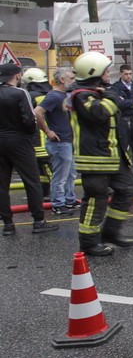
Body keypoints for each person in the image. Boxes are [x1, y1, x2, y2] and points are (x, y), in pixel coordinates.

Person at [69, 52, 133, 256]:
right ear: (95, 73)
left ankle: (110, 232)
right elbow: (100, 113)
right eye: (106, 71)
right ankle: (89, 242)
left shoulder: (97, 92)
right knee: (95, 199)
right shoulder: (81, 95)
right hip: (94, 158)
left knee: (127, 190)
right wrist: (112, 96)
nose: (110, 74)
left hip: (111, 156)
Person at [0, 63, 59, 236]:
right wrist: (29, 132)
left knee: (2, 185)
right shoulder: (20, 93)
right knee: (32, 181)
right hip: (20, 141)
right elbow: (28, 120)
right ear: (17, 76)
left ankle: (8, 225)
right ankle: (39, 221)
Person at [35, 67, 79, 216]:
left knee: (71, 173)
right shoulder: (54, 96)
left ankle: (69, 199)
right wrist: (48, 131)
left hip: (66, 140)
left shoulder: (63, 96)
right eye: (71, 79)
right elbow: (37, 112)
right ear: (62, 80)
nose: (73, 81)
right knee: (60, 175)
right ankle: (58, 204)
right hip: (59, 142)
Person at [21, 68, 54, 201]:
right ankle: (45, 193)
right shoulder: (48, 93)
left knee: (44, 165)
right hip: (48, 133)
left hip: (38, 137)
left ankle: (57, 193)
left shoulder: (31, 95)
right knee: (42, 168)